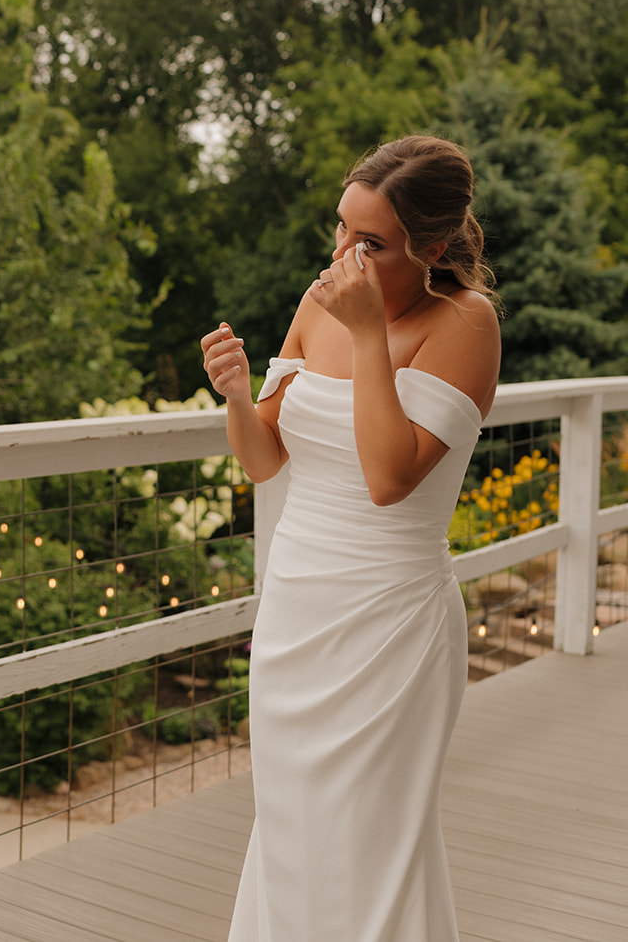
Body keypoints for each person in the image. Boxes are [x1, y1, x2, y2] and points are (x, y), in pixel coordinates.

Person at [201, 135, 500, 940]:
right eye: (341, 230)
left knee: (373, 845)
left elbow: (388, 475)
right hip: (298, 612)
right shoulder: (317, 301)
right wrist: (235, 394)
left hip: (390, 624)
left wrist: (369, 336)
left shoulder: (465, 324)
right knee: (293, 834)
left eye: (370, 242)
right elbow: (265, 459)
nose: (344, 255)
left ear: (431, 248)